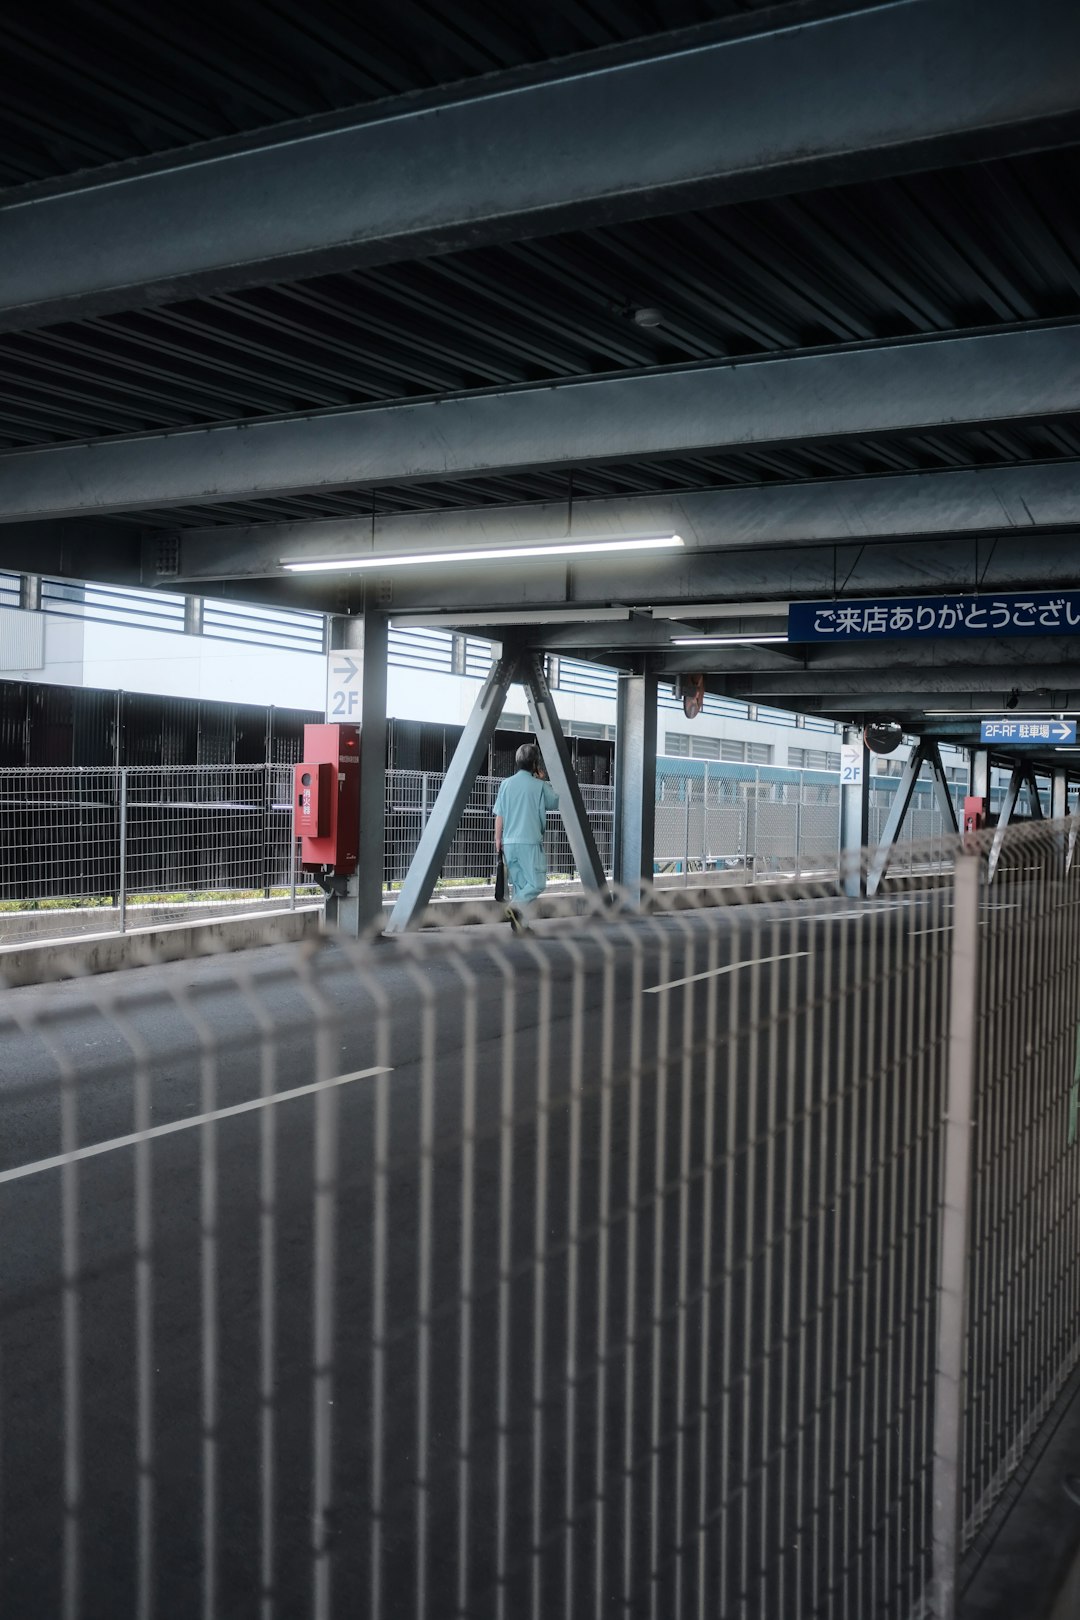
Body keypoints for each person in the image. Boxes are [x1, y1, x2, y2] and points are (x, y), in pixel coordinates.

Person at [493, 742, 559, 934]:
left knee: (520, 884)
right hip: (529, 842)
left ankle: (522, 925)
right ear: (535, 763)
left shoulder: (506, 784)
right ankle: (516, 906)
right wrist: (542, 779)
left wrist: (498, 839)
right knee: (537, 883)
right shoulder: (539, 786)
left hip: (509, 842)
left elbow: (500, 814)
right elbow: (554, 802)